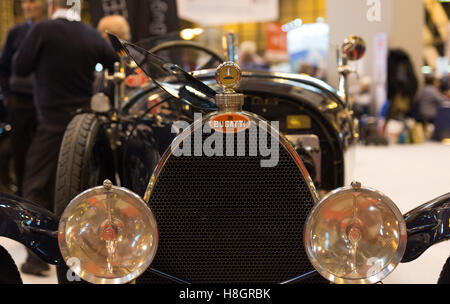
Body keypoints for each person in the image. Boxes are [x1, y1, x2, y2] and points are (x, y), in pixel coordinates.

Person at [13, 0, 118, 276]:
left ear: (51, 7)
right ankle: (87, 257)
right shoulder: (91, 34)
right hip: (85, 125)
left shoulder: (42, 30)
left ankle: (37, 258)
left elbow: (20, 67)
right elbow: (114, 62)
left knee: (35, 188)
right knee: (85, 187)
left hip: (52, 122)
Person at [0, 0, 47, 197]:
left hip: (46, 106)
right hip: (20, 104)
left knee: (44, 157)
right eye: (25, 2)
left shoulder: (52, 31)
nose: (27, 6)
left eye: (32, 1)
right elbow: (4, 67)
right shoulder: (16, 33)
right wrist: (7, 95)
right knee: (20, 154)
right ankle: (21, 198)